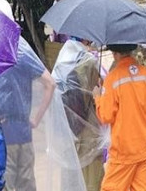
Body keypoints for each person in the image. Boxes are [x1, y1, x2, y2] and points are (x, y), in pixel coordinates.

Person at [0, 0, 55, 191]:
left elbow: (50, 83)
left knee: (6, 183)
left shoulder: (1, 50)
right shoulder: (22, 47)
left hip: (3, 131)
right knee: (25, 183)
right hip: (23, 130)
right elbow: (49, 83)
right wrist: (35, 119)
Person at [95, 43, 146, 191]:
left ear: (115, 54)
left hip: (123, 150)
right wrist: (142, 112)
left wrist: (98, 98)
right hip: (143, 147)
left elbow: (105, 116)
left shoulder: (112, 78)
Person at [52, 36, 106, 191]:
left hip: (67, 126)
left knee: (70, 172)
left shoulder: (63, 57)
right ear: (87, 39)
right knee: (91, 175)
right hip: (88, 126)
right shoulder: (88, 61)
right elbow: (96, 87)